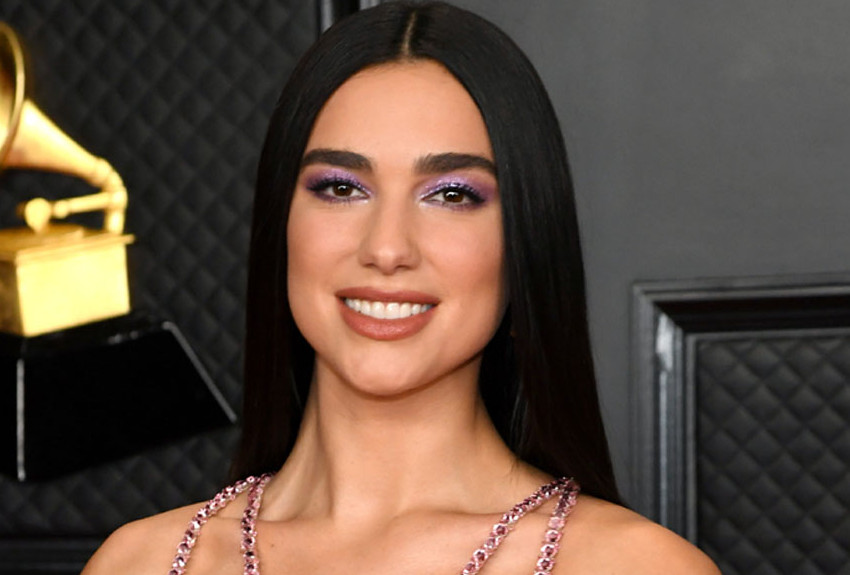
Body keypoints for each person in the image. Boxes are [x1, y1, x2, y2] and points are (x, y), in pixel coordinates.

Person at [84, 2, 720, 573]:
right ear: (281, 225)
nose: (387, 249)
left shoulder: (633, 565)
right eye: (341, 188)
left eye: (452, 195)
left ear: (525, 241)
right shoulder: (140, 563)